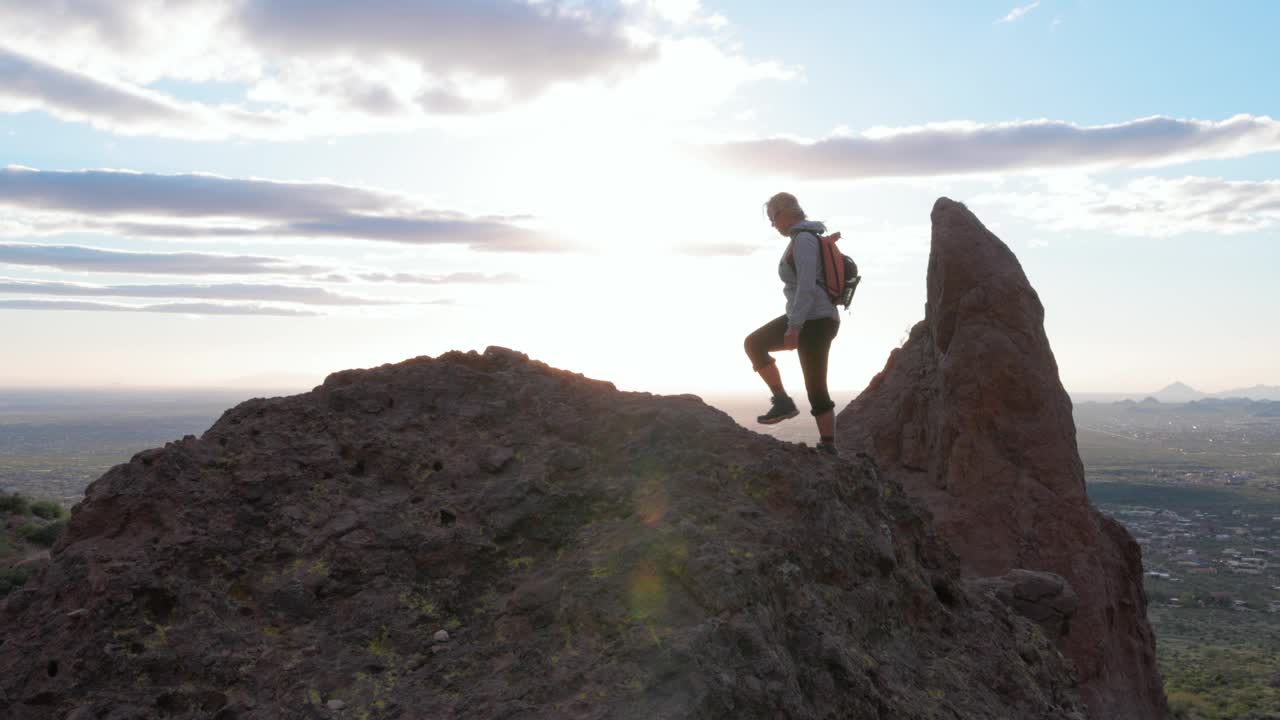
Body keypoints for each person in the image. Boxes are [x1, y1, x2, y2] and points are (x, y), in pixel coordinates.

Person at [743, 192, 840, 455]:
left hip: (815, 319)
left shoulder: (805, 240)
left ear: (787, 213)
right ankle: (783, 402)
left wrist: (794, 326)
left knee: (815, 383)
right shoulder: (804, 238)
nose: (773, 224)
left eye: (773, 217)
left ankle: (828, 447)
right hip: (813, 316)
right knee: (754, 343)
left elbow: (807, 285)